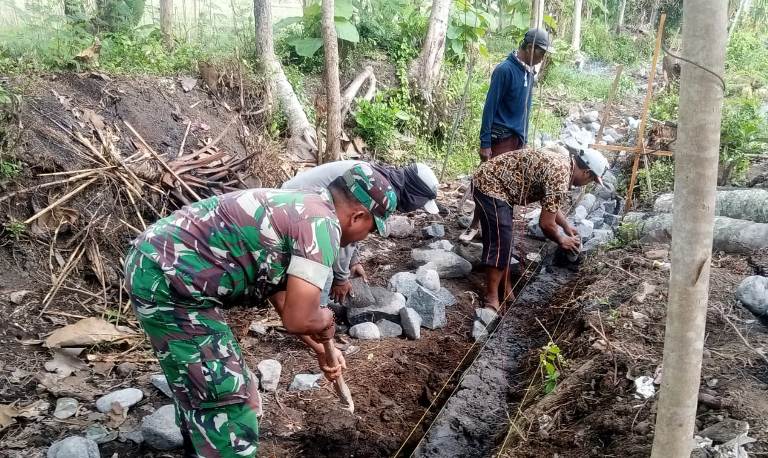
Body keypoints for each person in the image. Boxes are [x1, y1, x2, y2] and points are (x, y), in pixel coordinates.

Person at [124, 164, 396, 456]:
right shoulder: (323, 226)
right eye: (370, 229)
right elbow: (300, 318)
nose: (364, 237)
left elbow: (282, 297)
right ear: (358, 216)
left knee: (200, 386)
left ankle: (201, 447)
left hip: (158, 269)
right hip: (170, 283)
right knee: (228, 399)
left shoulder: (307, 205)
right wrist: (326, 319)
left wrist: (319, 347)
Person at [471, 144, 609, 312]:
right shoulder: (561, 175)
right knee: (500, 242)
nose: (587, 183)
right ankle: (491, 298)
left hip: (499, 185)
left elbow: (551, 204)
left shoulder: (564, 166)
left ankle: (506, 289)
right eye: (591, 180)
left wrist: (566, 226)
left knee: (505, 240)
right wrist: (561, 239)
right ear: (586, 172)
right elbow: (546, 223)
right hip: (490, 185)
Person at [282, 160, 440, 304]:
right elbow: (342, 227)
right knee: (325, 276)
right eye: (420, 203)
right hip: (291, 209)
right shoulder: (378, 186)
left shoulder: (377, 177)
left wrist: (353, 261)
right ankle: (313, 324)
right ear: (414, 194)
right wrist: (341, 279)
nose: (416, 208)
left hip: (299, 206)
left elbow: (354, 223)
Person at [461, 28, 555, 242]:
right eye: (541, 53)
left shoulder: (529, 73)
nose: (542, 58)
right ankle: (476, 224)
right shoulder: (505, 70)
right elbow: (489, 107)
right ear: (530, 48)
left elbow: (526, 109)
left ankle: (499, 227)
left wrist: (524, 139)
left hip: (516, 139)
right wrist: (485, 142)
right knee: (489, 184)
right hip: (500, 137)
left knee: (511, 186)